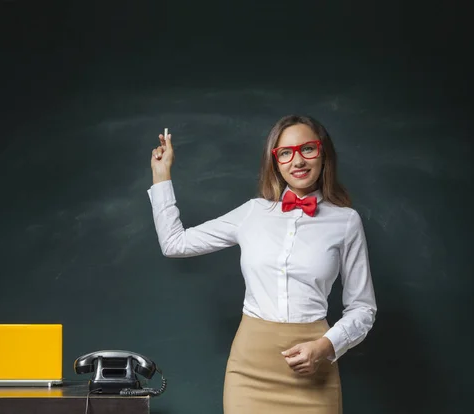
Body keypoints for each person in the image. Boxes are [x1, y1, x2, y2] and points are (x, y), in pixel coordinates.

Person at [147, 115, 377, 414]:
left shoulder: (346, 221)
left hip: (314, 370)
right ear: (275, 162)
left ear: (323, 154)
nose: (297, 161)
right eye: (285, 153)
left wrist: (325, 346)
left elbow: (363, 308)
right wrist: (161, 175)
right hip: (249, 371)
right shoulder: (252, 213)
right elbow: (174, 243)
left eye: (307, 148)